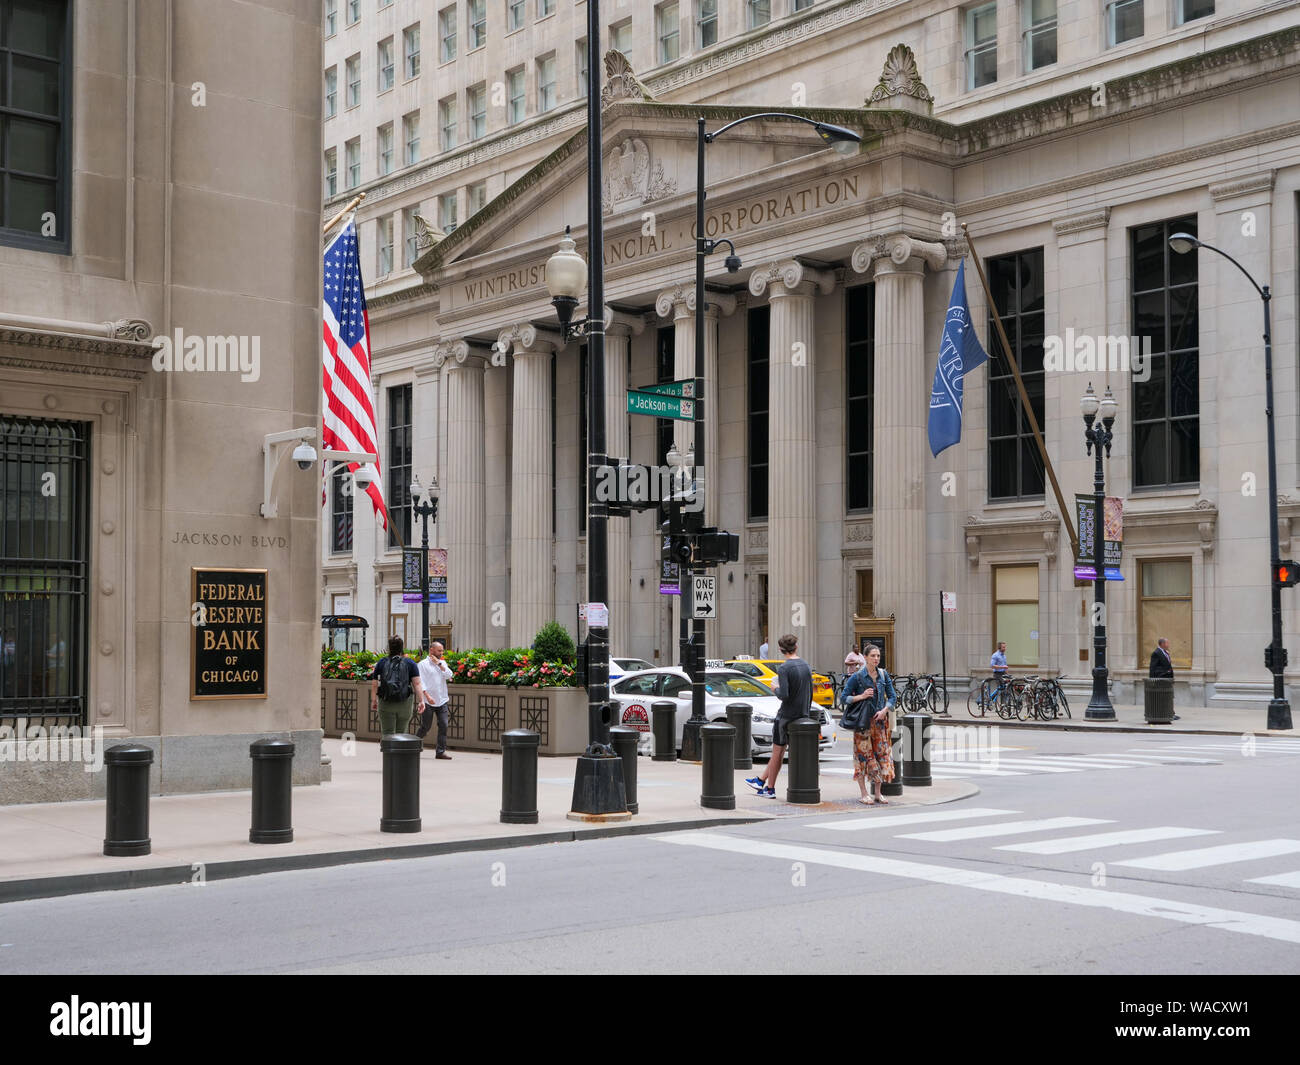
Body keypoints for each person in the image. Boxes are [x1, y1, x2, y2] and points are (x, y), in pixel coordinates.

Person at [745, 634, 811, 797]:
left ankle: (770, 789)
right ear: (796, 647)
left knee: (777, 753)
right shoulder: (806, 665)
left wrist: (774, 687)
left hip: (786, 714)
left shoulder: (784, 668)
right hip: (802, 713)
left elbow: (784, 694)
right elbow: (809, 692)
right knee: (779, 752)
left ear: (781, 650)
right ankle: (761, 781)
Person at [841, 644, 895, 805]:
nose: (876, 659)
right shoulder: (857, 677)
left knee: (882, 756)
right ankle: (864, 793)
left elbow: (892, 697)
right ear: (865, 657)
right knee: (863, 757)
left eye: (878, 656)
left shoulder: (883, 675)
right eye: (873, 656)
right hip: (863, 723)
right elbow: (844, 698)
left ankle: (878, 793)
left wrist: (885, 710)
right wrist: (862, 696)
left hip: (880, 723)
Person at [369, 635, 424, 736]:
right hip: (405, 702)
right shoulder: (410, 663)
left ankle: (387, 752)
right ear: (402, 647)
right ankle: (400, 751)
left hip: (386, 702)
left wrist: (374, 700)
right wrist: (421, 701)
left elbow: (374, 684)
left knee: (387, 733)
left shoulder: (382, 662)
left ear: (389, 648)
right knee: (402, 733)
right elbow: (417, 683)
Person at [416, 639, 455, 758]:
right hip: (428, 701)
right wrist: (427, 696)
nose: (441, 653)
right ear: (431, 650)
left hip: (442, 700)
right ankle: (413, 745)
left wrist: (439, 664)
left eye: (442, 651)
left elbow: (450, 675)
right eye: (439, 651)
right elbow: (420, 682)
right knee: (425, 727)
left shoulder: (442, 663)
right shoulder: (422, 664)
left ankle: (440, 751)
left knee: (444, 725)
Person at [1148, 637, 1180, 720]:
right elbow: (1153, 668)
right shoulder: (1156, 653)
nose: (1168, 645)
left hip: (1167, 680)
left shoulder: (1165, 652)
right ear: (1162, 644)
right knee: (1163, 698)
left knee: (1169, 697)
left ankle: (1171, 713)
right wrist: (1153, 680)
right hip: (1161, 680)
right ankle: (1168, 714)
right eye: (1167, 643)